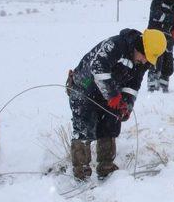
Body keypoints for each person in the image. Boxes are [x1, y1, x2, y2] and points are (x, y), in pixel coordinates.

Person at [66, 28, 166, 180]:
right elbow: (98, 67)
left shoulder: (142, 62)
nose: (146, 61)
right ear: (141, 47)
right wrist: (112, 95)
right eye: (145, 57)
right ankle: (82, 172)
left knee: (111, 122)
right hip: (84, 88)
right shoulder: (116, 45)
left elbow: (133, 85)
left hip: (109, 91)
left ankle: (106, 167)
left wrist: (126, 105)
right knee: (84, 129)